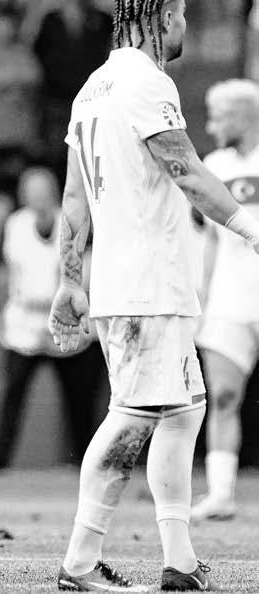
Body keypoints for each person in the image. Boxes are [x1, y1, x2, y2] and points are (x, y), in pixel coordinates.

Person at [48, 1, 259, 590]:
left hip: (130, 283)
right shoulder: (148, 82)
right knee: (131, 416)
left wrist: (69, 279)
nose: (184, 25)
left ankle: (180, 563)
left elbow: (74, 197)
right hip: (149, 286)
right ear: (163, 17)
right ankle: (79, 563)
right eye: (182, 14)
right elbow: (186, 170)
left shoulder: (92, 89)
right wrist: (251, 229)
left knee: (185, 409)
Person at [0, 167, 104, 470]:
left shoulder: (75, 221)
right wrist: (2, 308)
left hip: (68, 321)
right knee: (13, 391)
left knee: (80, 397)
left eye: (43, 191)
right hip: (25, 323)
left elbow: (91, 270)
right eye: (31, 192)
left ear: (55, 192)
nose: (38, 198)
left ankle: (85, 458)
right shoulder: (15, 224)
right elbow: (9, 270)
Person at [191, 78, 259, 522]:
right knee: (225, 396)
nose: (212, 127)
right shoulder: (211, 166)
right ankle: (220, 494)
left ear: (242, 116)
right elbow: (209, 242)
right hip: (230, 299)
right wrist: (202, 294)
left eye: (218, 118)